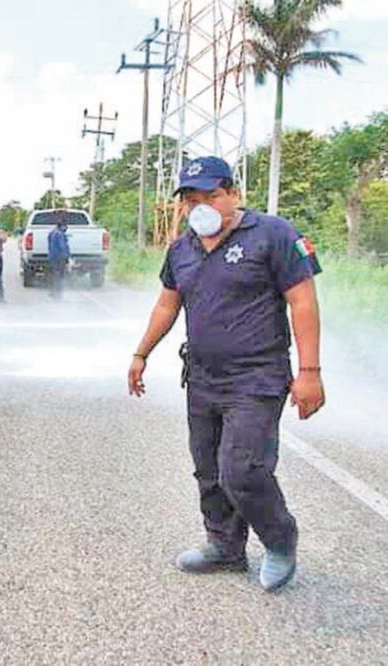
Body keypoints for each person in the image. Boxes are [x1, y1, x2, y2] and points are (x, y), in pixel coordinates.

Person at [127, 156, 324, 592]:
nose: (201, 206)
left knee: (243, 469)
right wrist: (141, 353)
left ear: (233, 193)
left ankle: (279, 541)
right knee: (209, 470)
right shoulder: (182, 250)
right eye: (191, 199)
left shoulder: (273, 234)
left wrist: (309, 371)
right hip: (201, 377)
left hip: (257, 375)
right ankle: (225, 547)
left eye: (211, 195)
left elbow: (303, 302)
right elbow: (167, 305)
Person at [47, 213, 70, 299]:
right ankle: (58, 294)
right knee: (60, 276)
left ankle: (52, 292)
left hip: (52, 257)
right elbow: (62, 247)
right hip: (60, 258)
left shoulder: (52, 233)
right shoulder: (60, 234)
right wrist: (67, 258)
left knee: (53, 275)